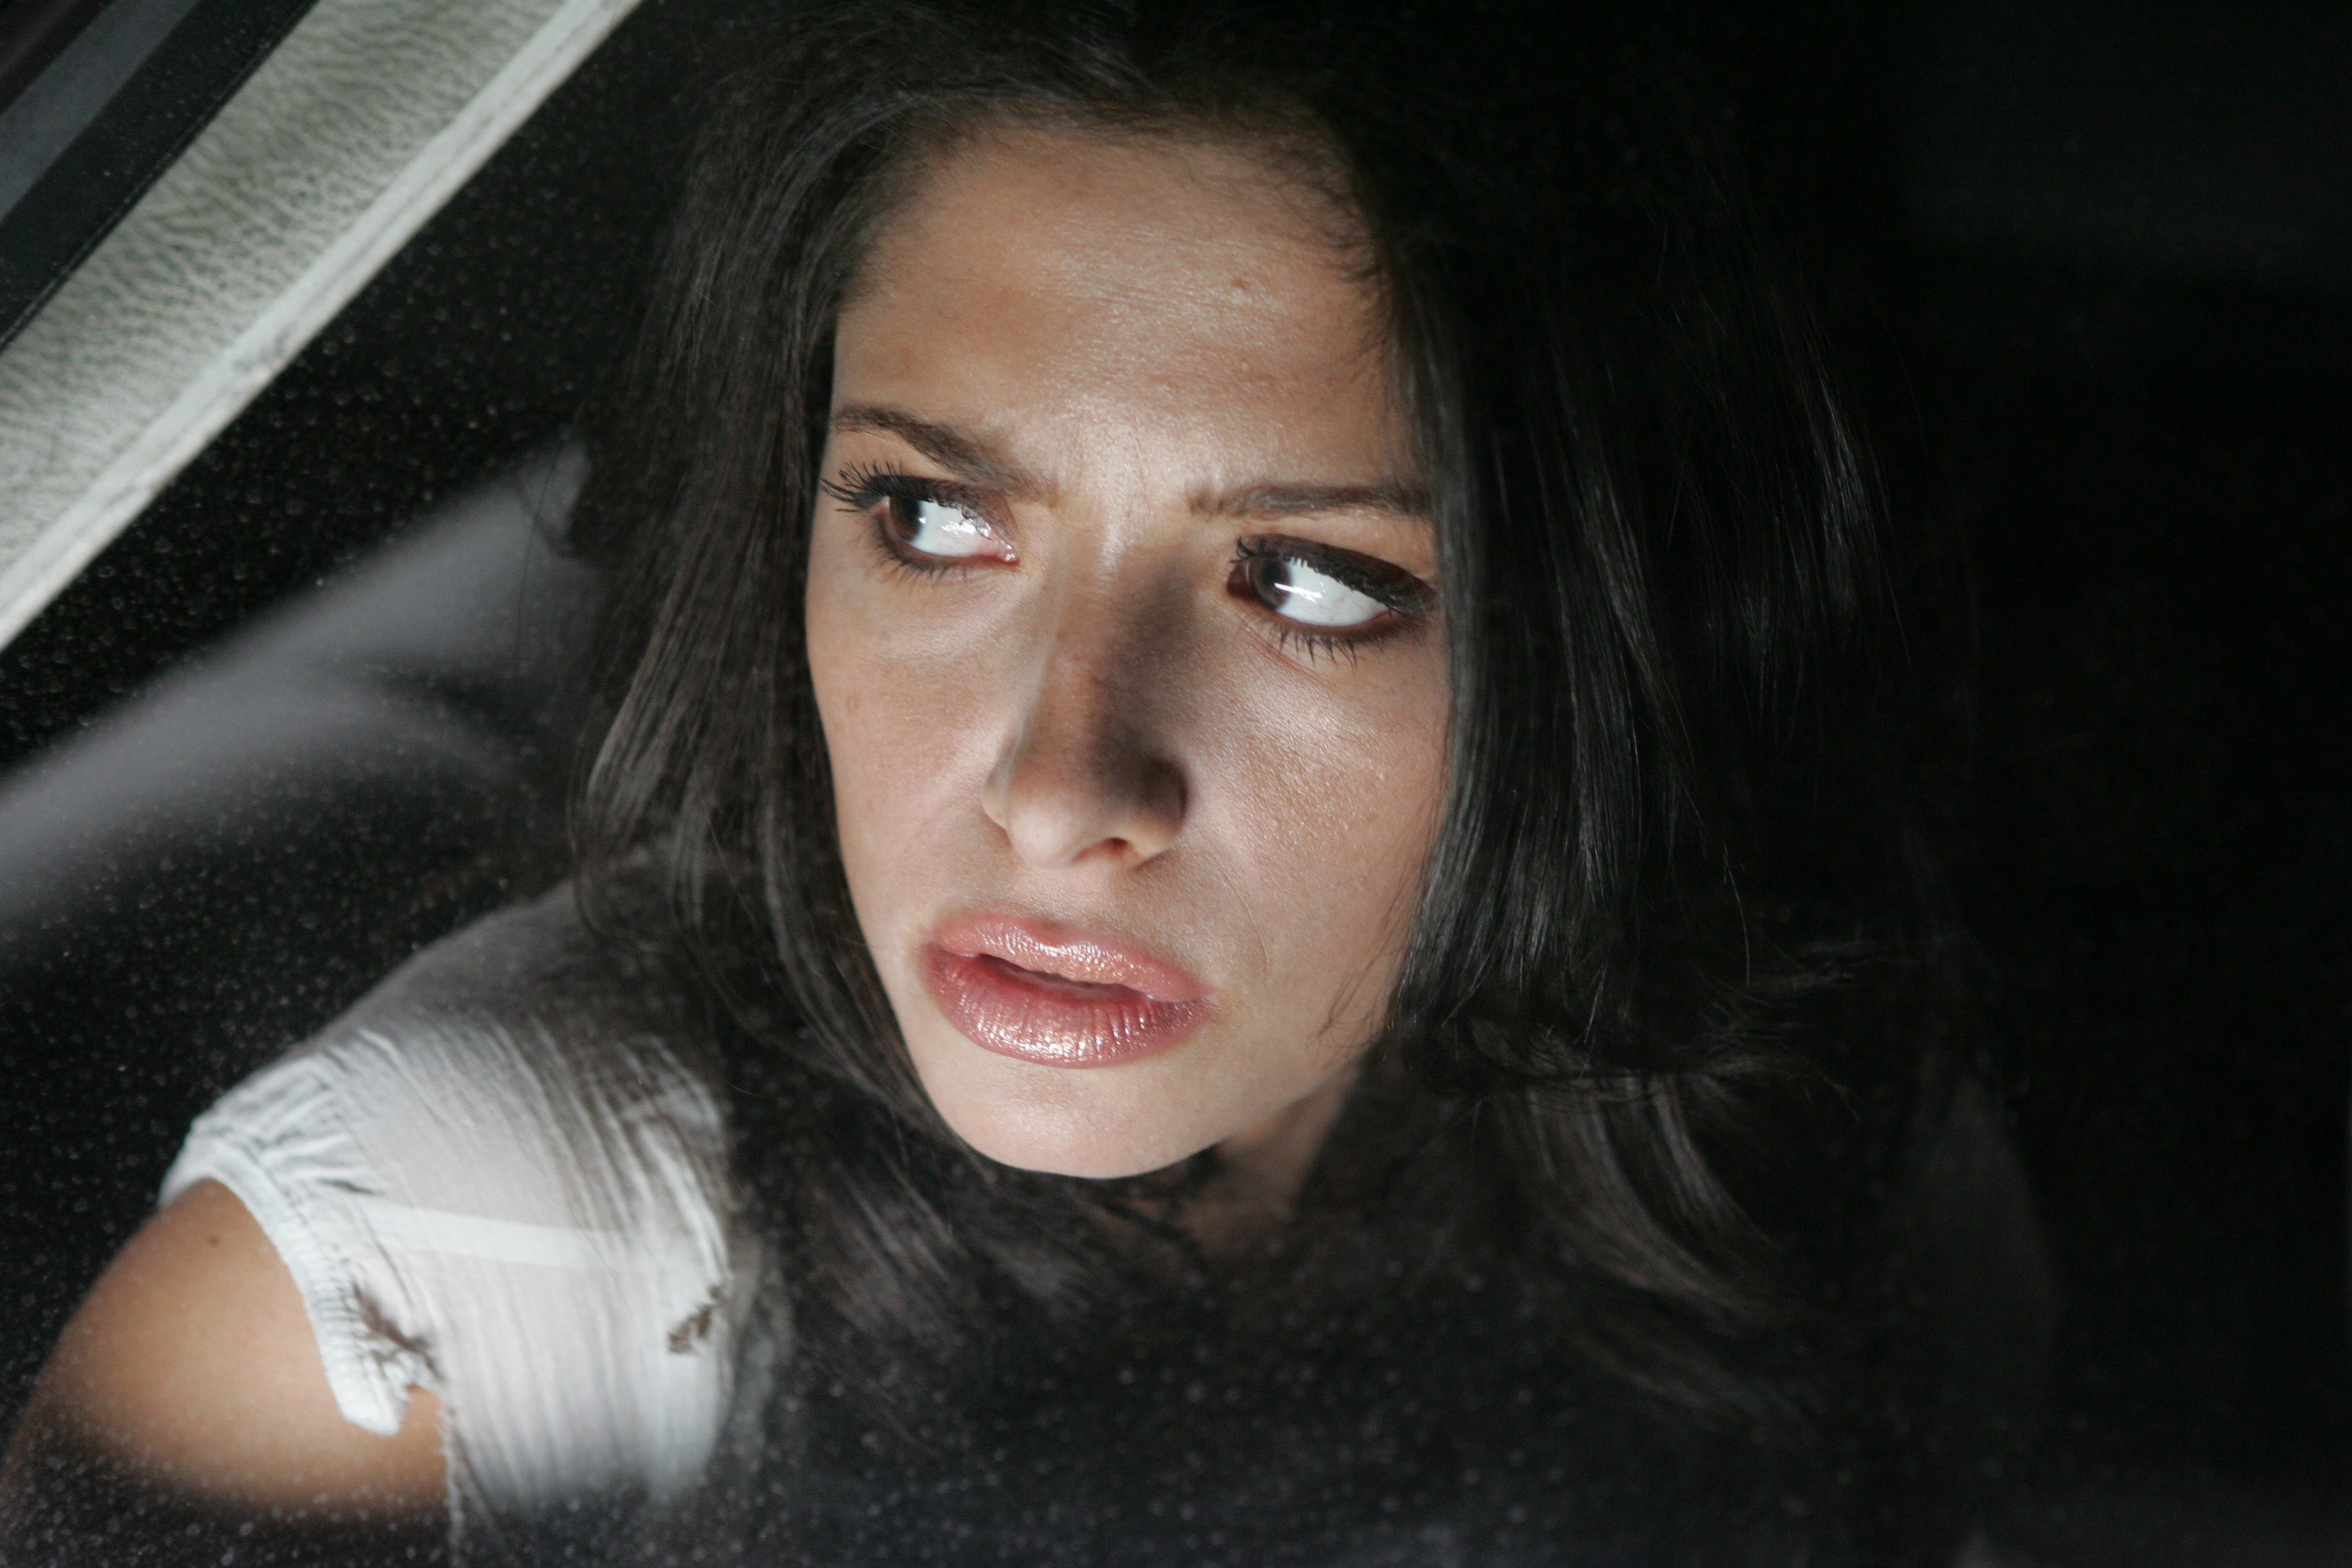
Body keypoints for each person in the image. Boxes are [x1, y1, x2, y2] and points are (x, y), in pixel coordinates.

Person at [0, 1, 2049, 1563]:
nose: (1065, 788)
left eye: (1311, 583)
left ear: (1613, 651)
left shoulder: (1799, 1146)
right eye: (934, 519)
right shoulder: (389, 1305)